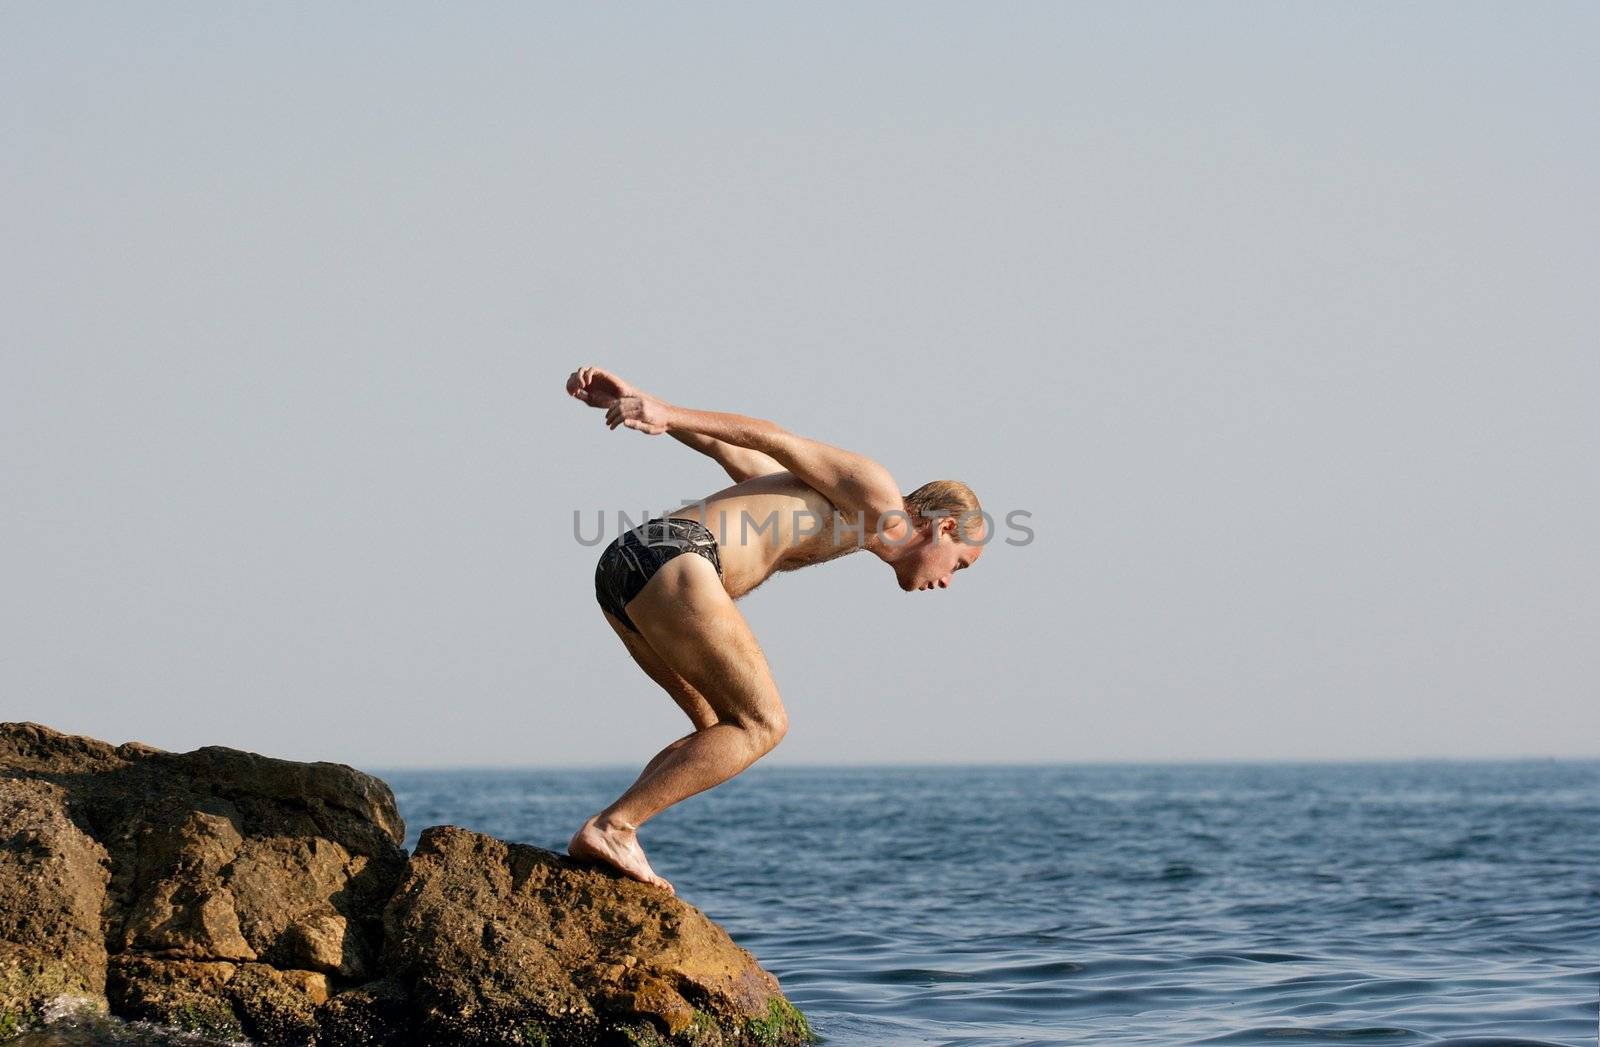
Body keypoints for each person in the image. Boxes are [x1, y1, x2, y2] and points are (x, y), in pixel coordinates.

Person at [564, 366, 985, 893]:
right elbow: (773, 435)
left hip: (625, 568)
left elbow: (734, 450)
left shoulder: (842, 512)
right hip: (676, 559)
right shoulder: (878, 494)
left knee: (718, 727)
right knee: (763, 724)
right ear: (944, 526)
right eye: (959, 565)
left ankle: (614, 837)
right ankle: (613, 826)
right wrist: (663, 411)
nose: (948, 581)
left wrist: (642, 404)